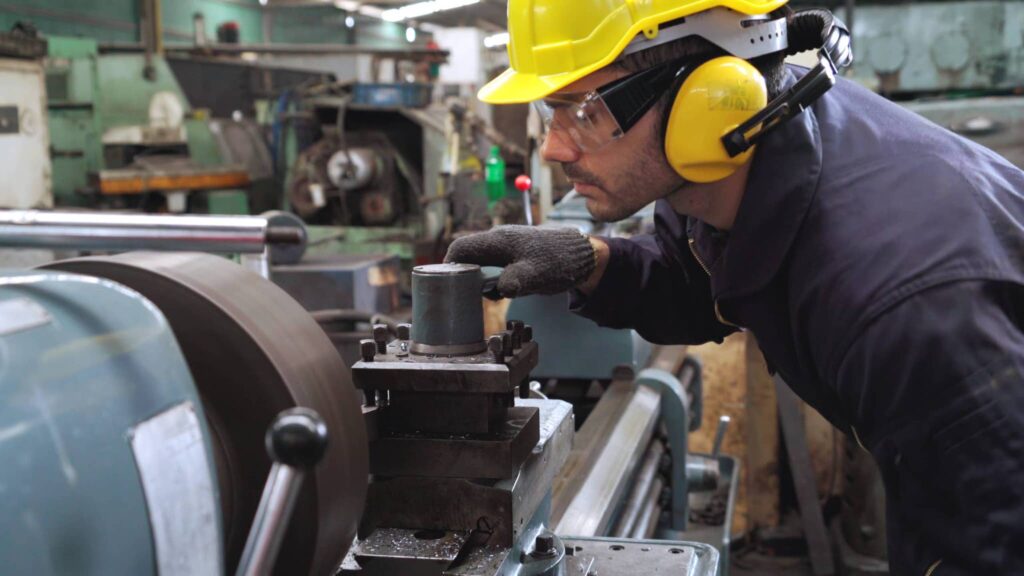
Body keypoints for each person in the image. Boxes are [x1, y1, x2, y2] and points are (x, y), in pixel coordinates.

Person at [445, 1, 1024, 574]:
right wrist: (589, 261)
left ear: (709, 99)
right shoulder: (728, 160)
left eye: (585, 113)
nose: (554, 148)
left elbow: (990, 544)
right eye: (554, 113)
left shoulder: (903, 308)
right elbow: (707, 283)